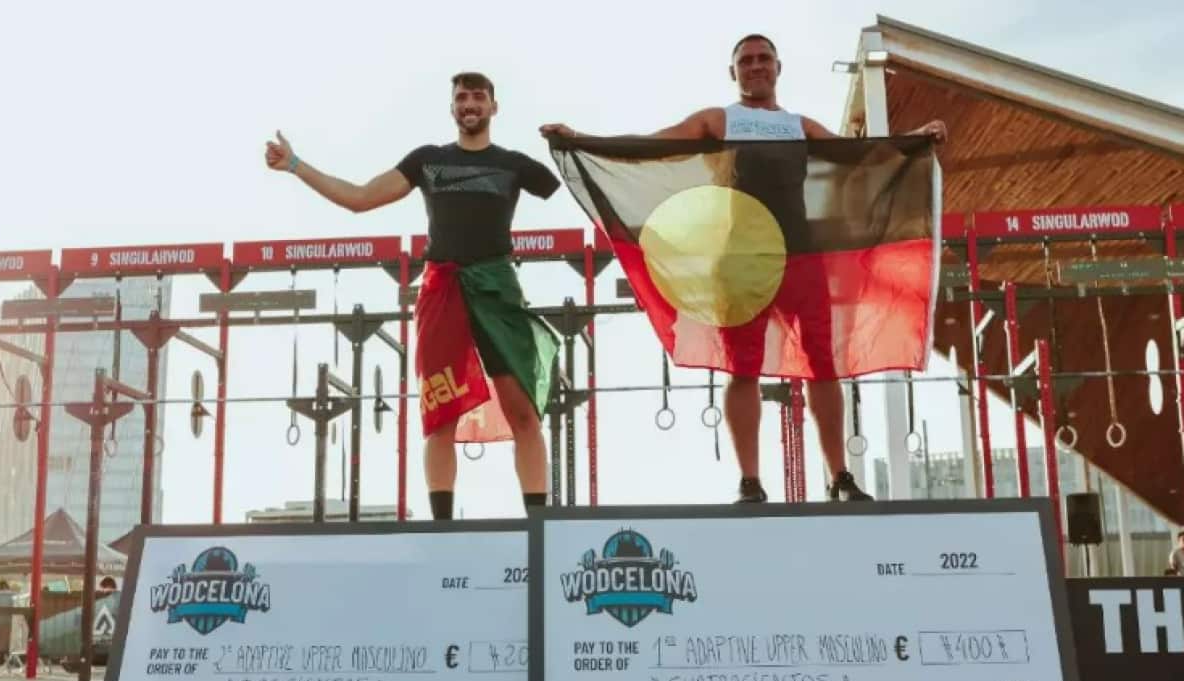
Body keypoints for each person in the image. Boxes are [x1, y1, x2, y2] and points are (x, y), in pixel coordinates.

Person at [542, 33, 946, 504]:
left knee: (823, 365)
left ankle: (840, 475)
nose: (756, 66)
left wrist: (917, 141)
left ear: (778, 68)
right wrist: (582, 141)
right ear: (733, 72)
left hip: (801, 256)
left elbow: (867, 157)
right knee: (743, 368)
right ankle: (750, 480)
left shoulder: (799, 126)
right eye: (746, 60)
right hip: (741, 261)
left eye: (764, 59)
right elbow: (653, 144)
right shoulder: (719, 120)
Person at [265, 72, 561, 520]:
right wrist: (294, 164)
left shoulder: (514, 165)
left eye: (478, 97)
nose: (470, 104)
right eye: (461, 98)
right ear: (452, 108)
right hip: (443, 290)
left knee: (523, 413)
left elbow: (572, 183)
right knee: (440, 416)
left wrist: (570, 142)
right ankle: (442, 528)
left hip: (497, 288)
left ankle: (539, 524)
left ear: (493, 107)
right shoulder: (428, 160)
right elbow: (359, 198)